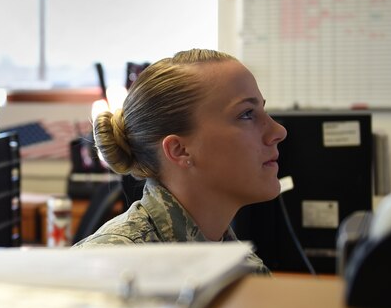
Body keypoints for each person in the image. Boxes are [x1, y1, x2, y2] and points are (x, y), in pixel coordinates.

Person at [73, 49, 287, 275]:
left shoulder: (245, 270)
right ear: (180, 150)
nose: (278, 131)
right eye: (246, 114)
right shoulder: (109, 267)